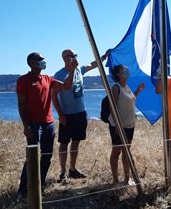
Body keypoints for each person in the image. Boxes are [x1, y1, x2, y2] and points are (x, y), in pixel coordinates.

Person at [16, 52, 77, 200]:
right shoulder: (23, 81)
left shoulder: (47, 79)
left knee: (47, 156)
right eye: (40, 60)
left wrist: (73, 70)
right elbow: (21, 105)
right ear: (31, 63)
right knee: (32, 157)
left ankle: (39, 185)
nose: (44, 62)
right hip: (33, 125)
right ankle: (23, 190)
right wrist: (26, 126)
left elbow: (67, 86)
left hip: (48, 124)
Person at [51, 49, 110, 183]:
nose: (74, 58)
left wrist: (104, 57)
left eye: (75, 55)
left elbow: (92, 64)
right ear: (65, 58)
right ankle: (62, 173)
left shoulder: (80, 70)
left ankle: (72, 169)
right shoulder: (59, 75)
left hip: (80, 113)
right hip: (67, 114)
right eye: (71, 56)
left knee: (76, 142)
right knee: (64, 143)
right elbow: (53, 95)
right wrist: (60, 115)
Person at [108, 64, 145, 184]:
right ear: (118, 74)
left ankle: (127, 178)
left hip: (130, 124)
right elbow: (111, 107)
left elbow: (131, 99)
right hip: (118, 125)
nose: (126, 70)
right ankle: (115, 179)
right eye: (123, 69)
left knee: (126, 152)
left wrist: (138, 91)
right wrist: (118, 125)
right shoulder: (116, 87)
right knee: (116, 151)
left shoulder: (126, 87)